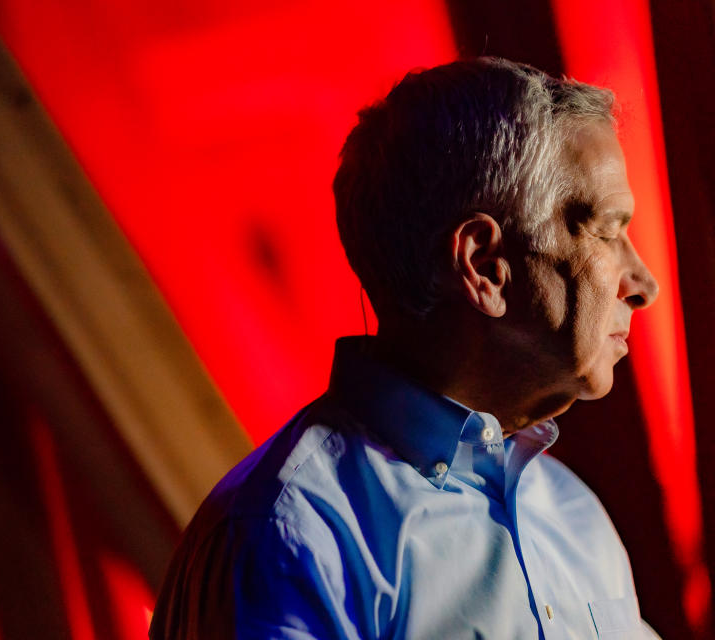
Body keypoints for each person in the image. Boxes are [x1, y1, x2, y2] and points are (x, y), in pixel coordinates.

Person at [149, 57, 661, 639]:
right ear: (485, 266)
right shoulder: (290, 536)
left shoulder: (574, 518)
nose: (644, 285)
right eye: (607, 231)